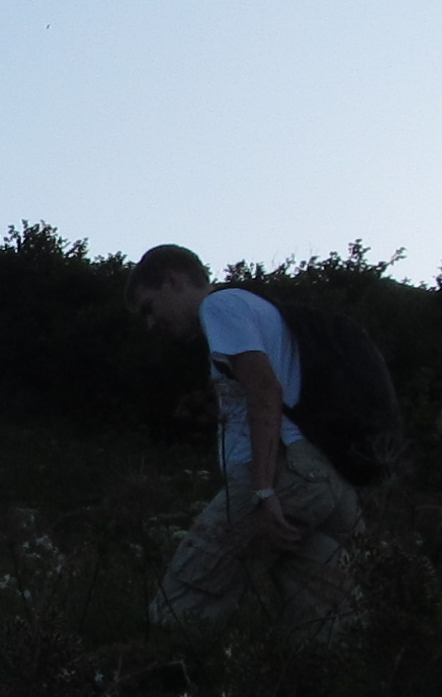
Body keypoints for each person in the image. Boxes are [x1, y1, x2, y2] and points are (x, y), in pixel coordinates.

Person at [129, 246, 364, 640]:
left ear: (174, 281)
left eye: (149, 308)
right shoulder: (255, 309)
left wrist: (263, 490)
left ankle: (160, 670)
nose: (152, 324)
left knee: (186, 596)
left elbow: (264, 390)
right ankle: (338, 669)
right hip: (323, 475)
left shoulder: (220, 306)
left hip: (287, 475)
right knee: (324, 611)